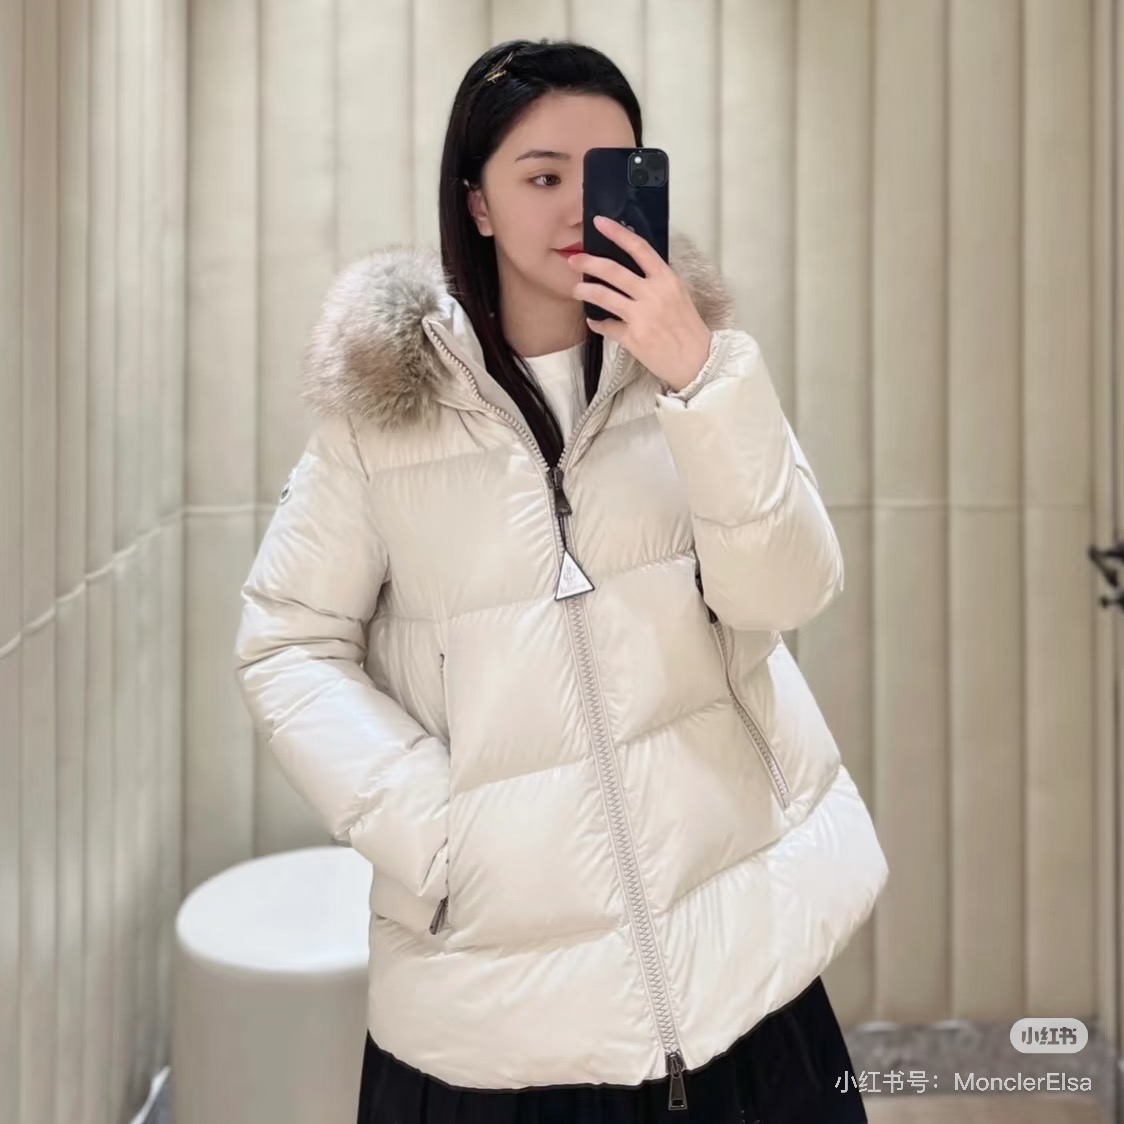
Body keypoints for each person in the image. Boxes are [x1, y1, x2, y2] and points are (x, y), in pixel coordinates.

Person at [234, 37, 888, 1124]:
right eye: (541, 176)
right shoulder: (379, 420)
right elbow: (286, 644)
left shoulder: (702, 376)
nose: (578, 205)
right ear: (477, 204)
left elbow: (785, 593)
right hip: (498, 1024)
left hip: (740, 970)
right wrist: (438, 831)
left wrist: (700, 376)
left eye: (607, 170)